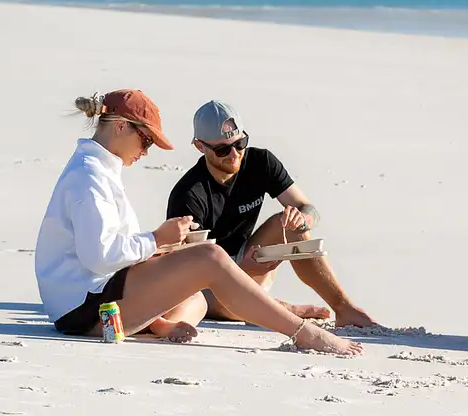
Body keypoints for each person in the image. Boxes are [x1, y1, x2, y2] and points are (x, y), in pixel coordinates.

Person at [33, 88, 362, 355]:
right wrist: (157, 240)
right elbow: (99, 256)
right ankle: (303, 333)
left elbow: (102, 253)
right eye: (146, 140)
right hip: (85, 310)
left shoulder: (97, 169)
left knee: (196, 286)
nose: (147, 151)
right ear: (121, 126)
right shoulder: (90, 177)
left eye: (239, 145)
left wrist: (158, 248)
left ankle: (160, 324)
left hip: (92, 301)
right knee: (210, 257)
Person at [166, 100, 375, 328]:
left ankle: (344, 309)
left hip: (254, 262)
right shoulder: (189, 194)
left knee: (289, 222)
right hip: (212, 285)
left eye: (240, 143)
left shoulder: (261, 162)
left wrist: (303, 220)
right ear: (200, 146)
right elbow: (187, 269)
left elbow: (309, 208)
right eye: (223, 150)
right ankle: (282, 308)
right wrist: (238, 270)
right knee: (202, 297)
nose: (235, 154)